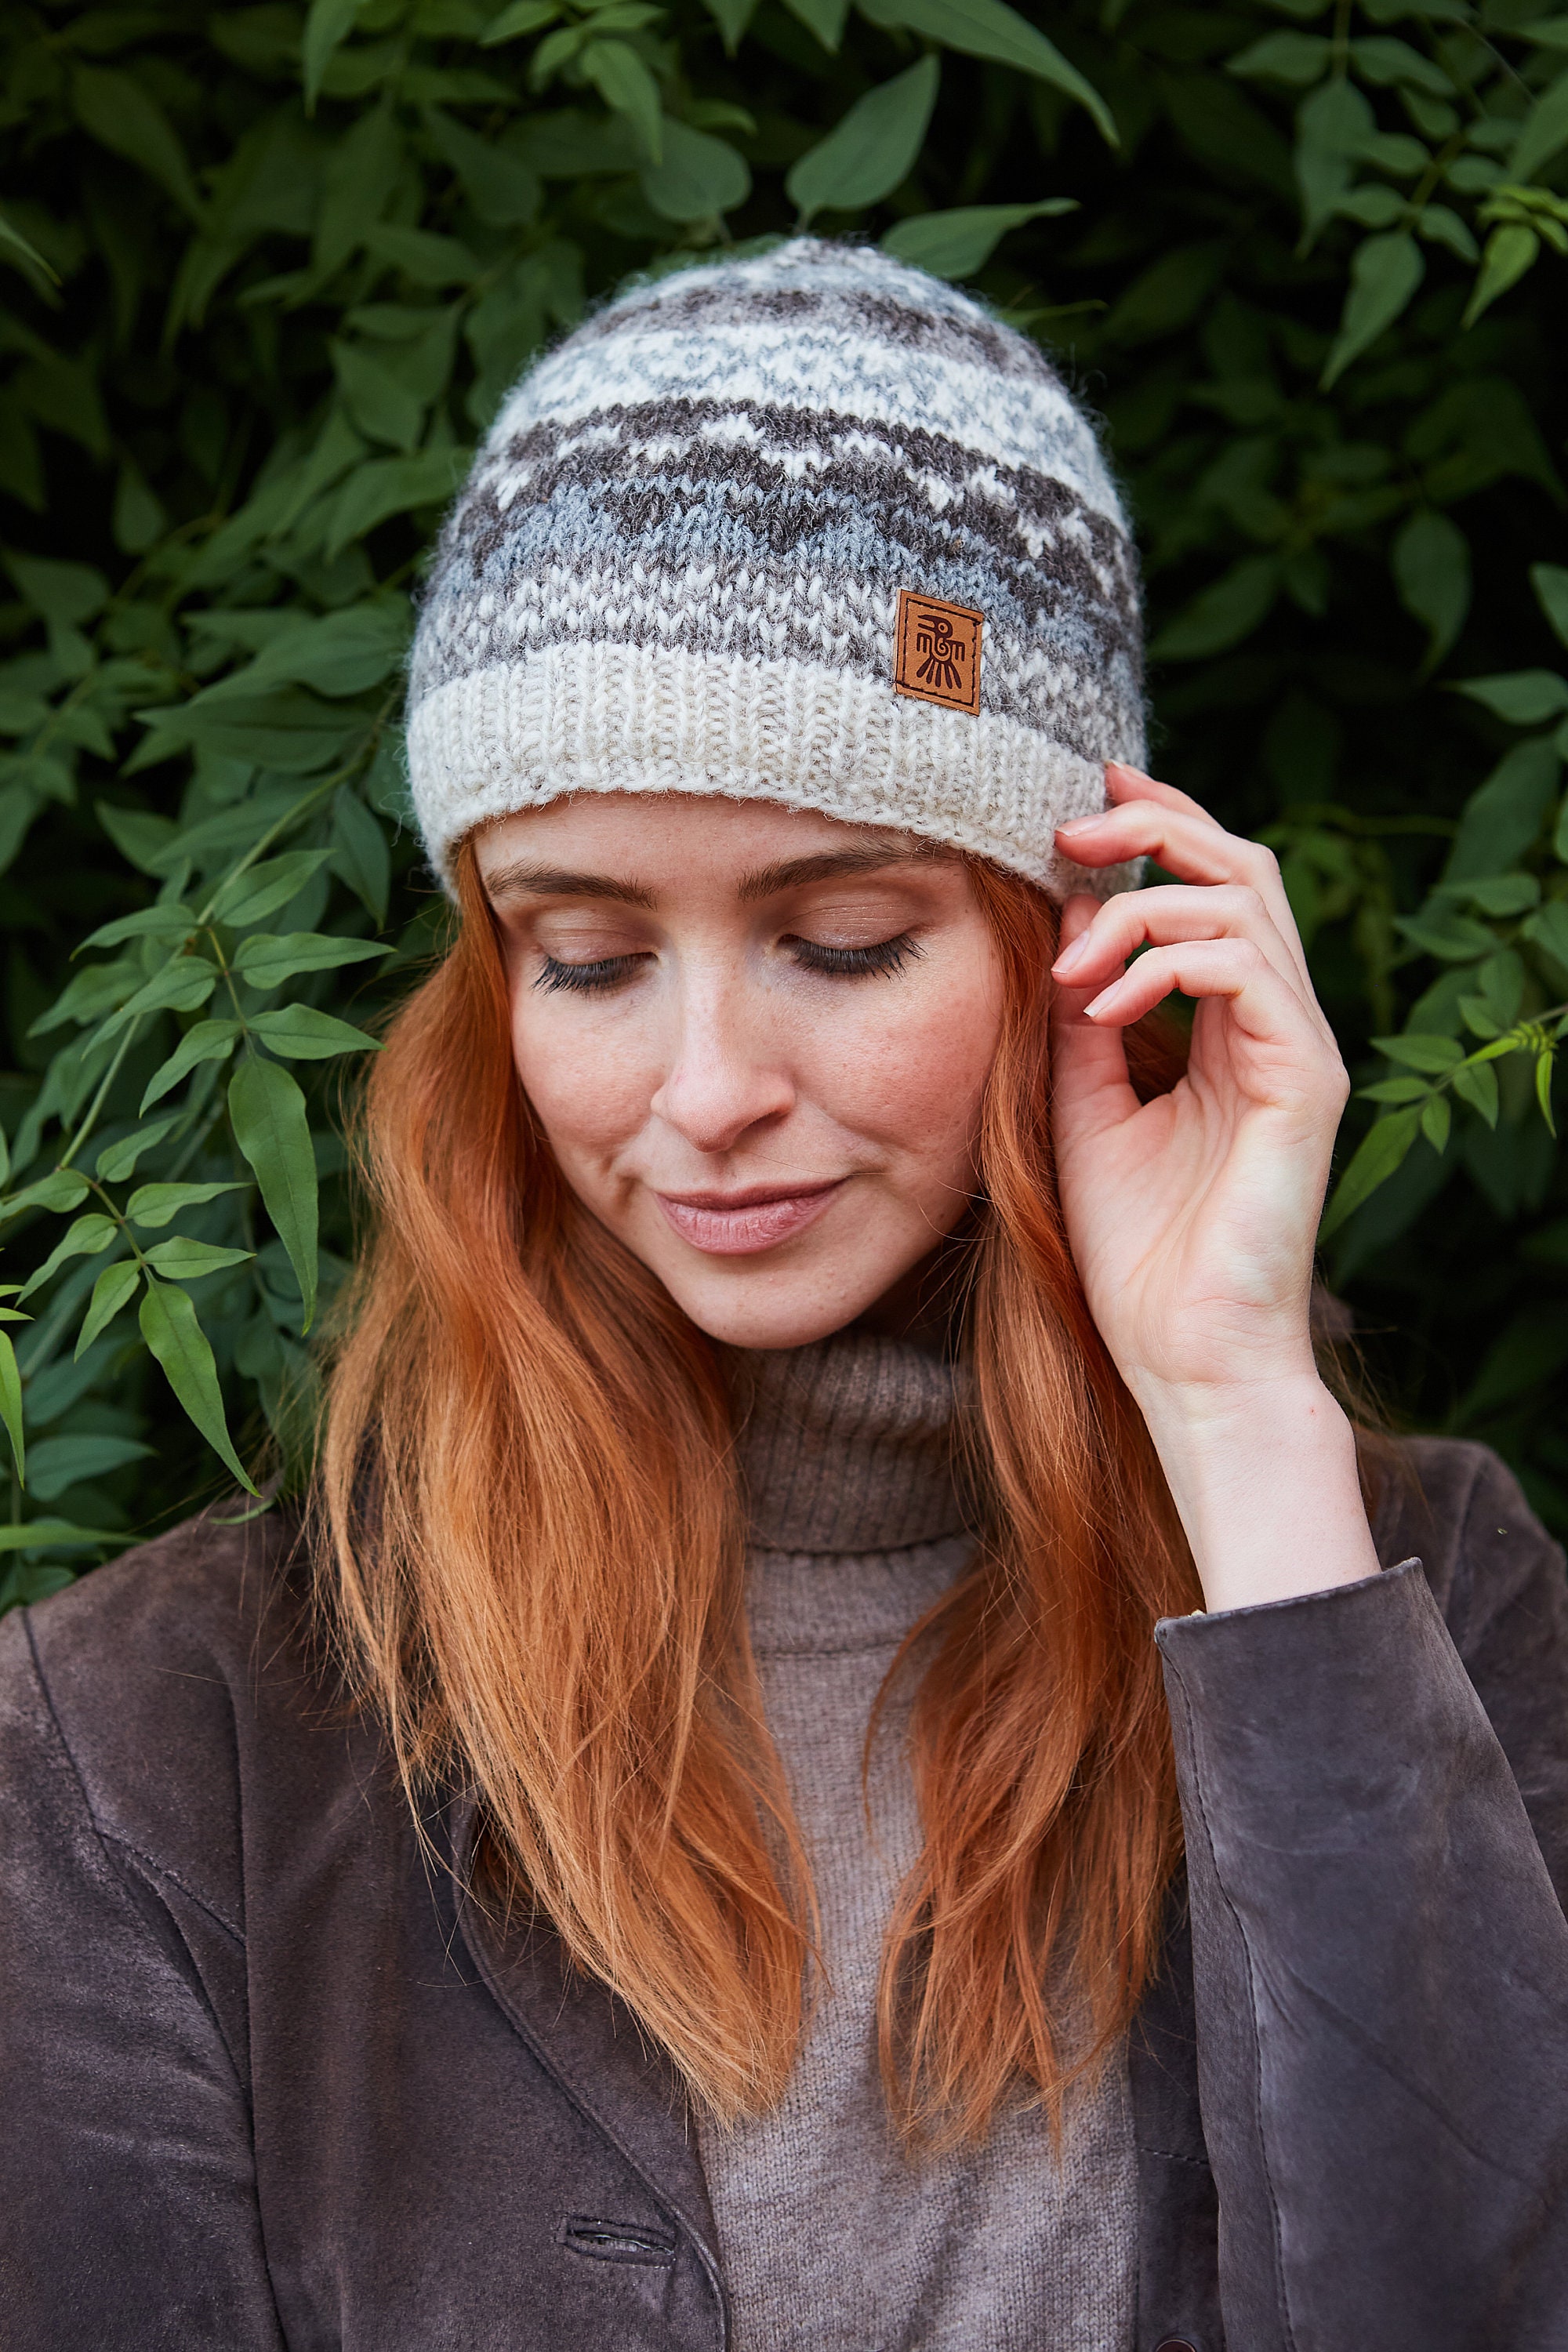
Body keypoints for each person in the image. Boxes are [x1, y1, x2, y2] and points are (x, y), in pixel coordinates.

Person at [2, 239, 1566, 2352]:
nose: (712, 1093)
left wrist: (1236, 1419)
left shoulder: (1421, 1606)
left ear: (1076, 937)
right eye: (588, 957)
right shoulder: (149, 1743)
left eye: (839, 941)